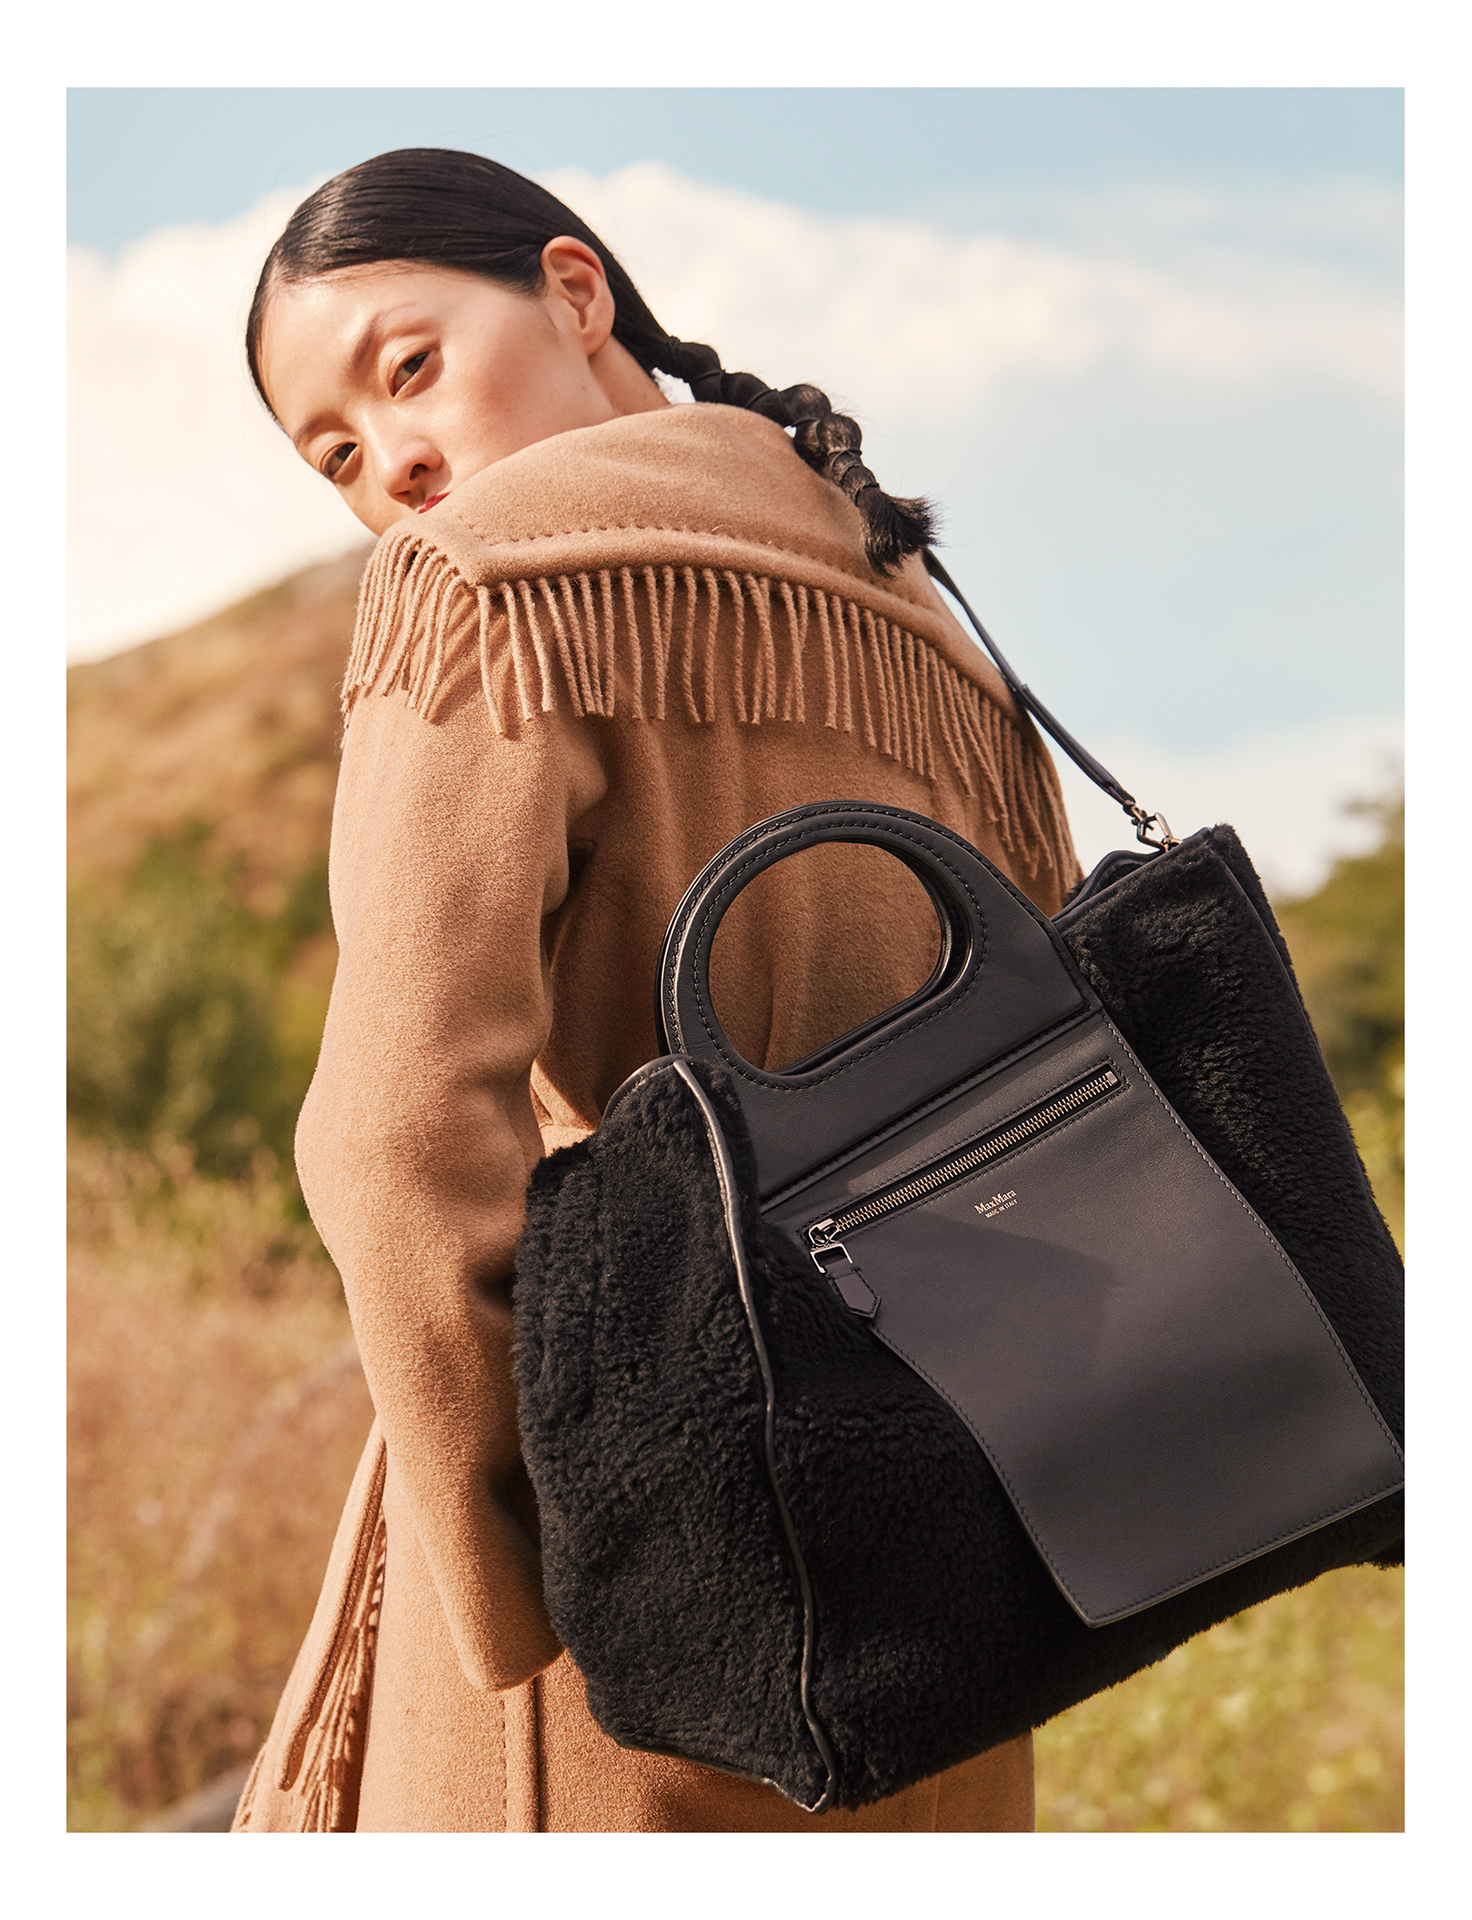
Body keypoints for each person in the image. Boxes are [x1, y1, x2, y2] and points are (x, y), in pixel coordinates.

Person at [233, 147, 1081, 1834]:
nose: (396, 463)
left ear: (574, 289)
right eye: (335, 456)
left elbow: (394, 1137)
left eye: (409, 368)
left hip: (643, 1609)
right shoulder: (940, 636)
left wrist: (537, 1567)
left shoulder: (485, 588)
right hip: (956, 1585)